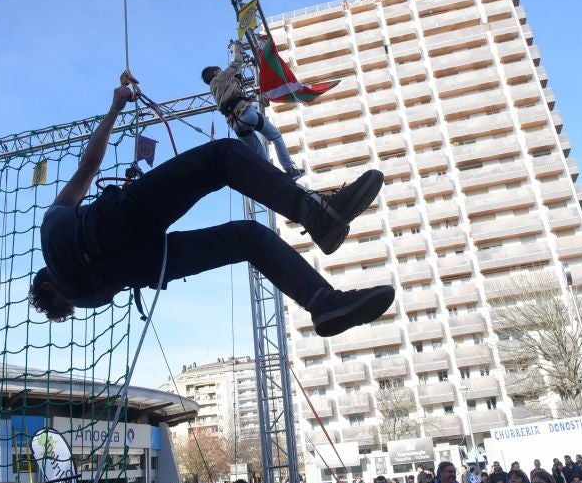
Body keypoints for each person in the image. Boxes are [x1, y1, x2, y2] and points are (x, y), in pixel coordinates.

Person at [30, 86, 395, 337]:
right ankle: (312, 212)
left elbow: (109, 281)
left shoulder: (85, 298)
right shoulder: (51, 228)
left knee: (246, 239)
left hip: (143, 264)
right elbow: (89, 166)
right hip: (118, 221)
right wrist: (114, 109)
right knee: (221, 158)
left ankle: (322, 302)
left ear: (53, 291)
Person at [202, 40, 304, 179]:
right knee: (275, 136)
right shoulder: (218, 78)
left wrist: (238, 83)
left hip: (236, 124)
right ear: (215, 72)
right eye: (219, 70)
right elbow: (236, 64)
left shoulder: (215, 90)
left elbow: (232, 97)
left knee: (261, 157)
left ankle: (273, 179)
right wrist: (237, 50)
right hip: (246, 115)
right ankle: (289, 169)